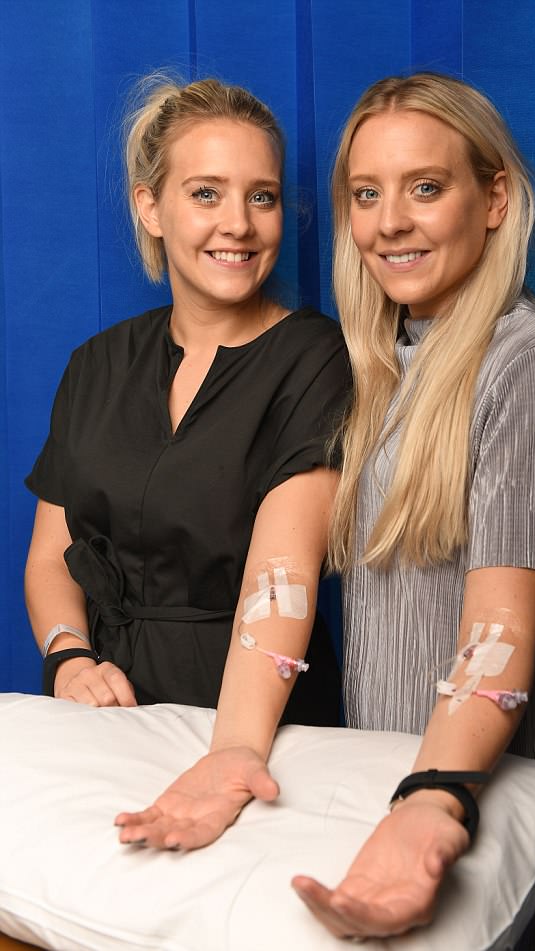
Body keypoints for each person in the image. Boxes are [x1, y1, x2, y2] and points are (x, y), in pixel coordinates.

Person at [291, 72, 535, 949]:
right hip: (405, 798)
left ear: (495, 200)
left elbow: (499, 632)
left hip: (496, 821)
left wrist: (431, 800)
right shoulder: (381, 366)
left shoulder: (529, 361)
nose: (389, 221)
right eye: (367, 195)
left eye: (425, 187)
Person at [24, 74, 350, 849]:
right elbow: (49, 559)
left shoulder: (315, 357)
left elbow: (286, 579)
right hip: (108, 719)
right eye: (206, 193)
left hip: (258, 715)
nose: (238, 223)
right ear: (150, 206)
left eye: (262, 196)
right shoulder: (96, 365)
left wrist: (232, 755)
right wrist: (69, 658)